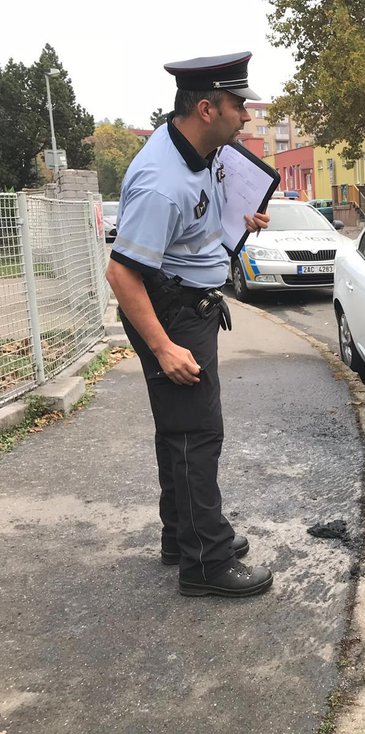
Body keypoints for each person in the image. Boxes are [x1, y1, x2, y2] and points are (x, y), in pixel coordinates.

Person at [106, 52, 273, 596]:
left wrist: (238, 222)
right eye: (238, 106)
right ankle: (206, 563)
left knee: (179, 430)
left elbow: (197, 219)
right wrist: (163, 348)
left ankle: (183, 535)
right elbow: (122, 274)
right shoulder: (161, 182)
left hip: (188, 300)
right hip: (170, 311)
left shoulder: (203, 151)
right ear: (206, 109)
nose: (246, 116)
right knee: (195, 435)